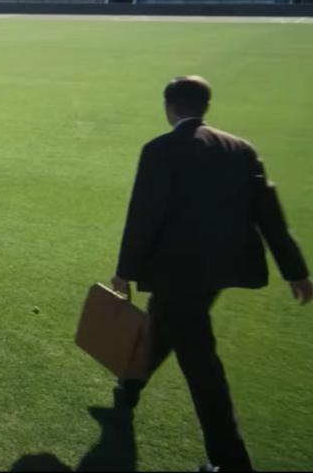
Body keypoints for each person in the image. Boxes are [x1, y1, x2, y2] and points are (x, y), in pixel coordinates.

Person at [112, 75, 311, 471]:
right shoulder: (241, 149)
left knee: (202, 366)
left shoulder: (160, 150)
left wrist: (124, 273)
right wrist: (296, 272)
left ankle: (230, 462)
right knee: (163, 326)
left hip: (175, 272)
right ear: (205, 106)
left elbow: (143, 217)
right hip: (220, 270)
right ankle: (129, 385)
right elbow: (269, 215)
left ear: (170, 107)